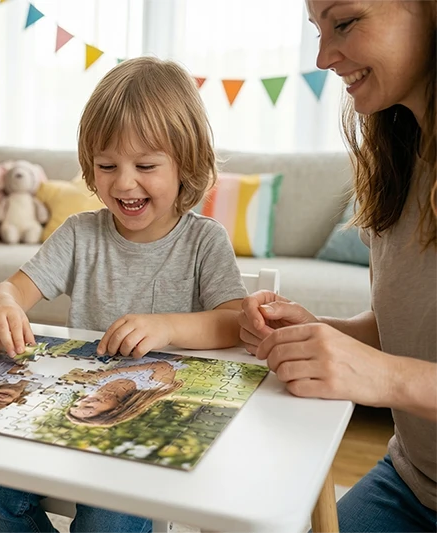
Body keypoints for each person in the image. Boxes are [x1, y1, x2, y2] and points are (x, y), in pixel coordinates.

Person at [0, 56, 248, 533]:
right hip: (61, 408)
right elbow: (14, 288)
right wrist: (2, 303)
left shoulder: (205, 240)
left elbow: (235, 321)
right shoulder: (79, 234)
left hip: (146, 421)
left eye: (146, 165)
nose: (124, 182)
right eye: (107, 165)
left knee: (109, 520)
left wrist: (167, 326)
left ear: (187, 163)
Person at [239, 2, 436, 531]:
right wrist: (318, 333)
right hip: (415, 482)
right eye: (317, 31)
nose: (324, 58)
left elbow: (395, 367)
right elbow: (407, 328)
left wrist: (384, 378)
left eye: (344, 22)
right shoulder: (397, 160)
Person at [64, 357, 188, 427]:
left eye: (76, 404)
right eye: (88, 407)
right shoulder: (152, 387)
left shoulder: (92, 386)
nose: (83, 401)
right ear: (115, 410)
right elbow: (164, 366)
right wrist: (112, 372)